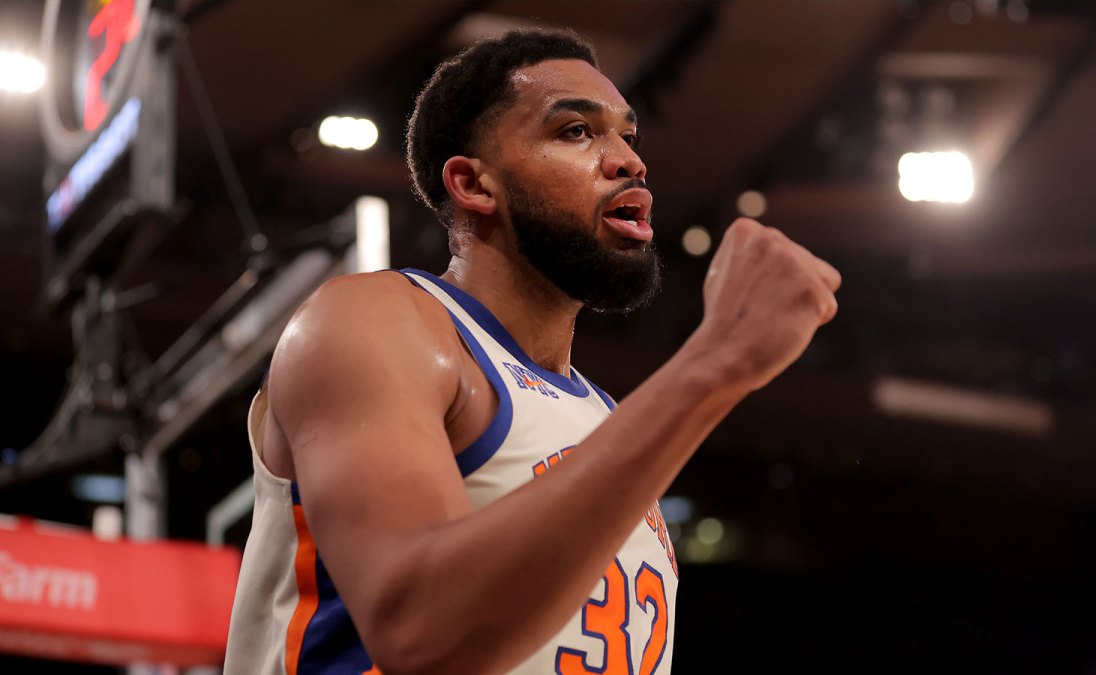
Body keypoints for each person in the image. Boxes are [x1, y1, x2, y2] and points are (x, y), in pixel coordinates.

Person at [223, 27, 840, 675]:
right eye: (576, 132)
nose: (629, 160)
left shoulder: (607, 419)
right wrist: (716, 362)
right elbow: (417, 631)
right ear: (473, 184)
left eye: (628, 135)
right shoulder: (373, 322)